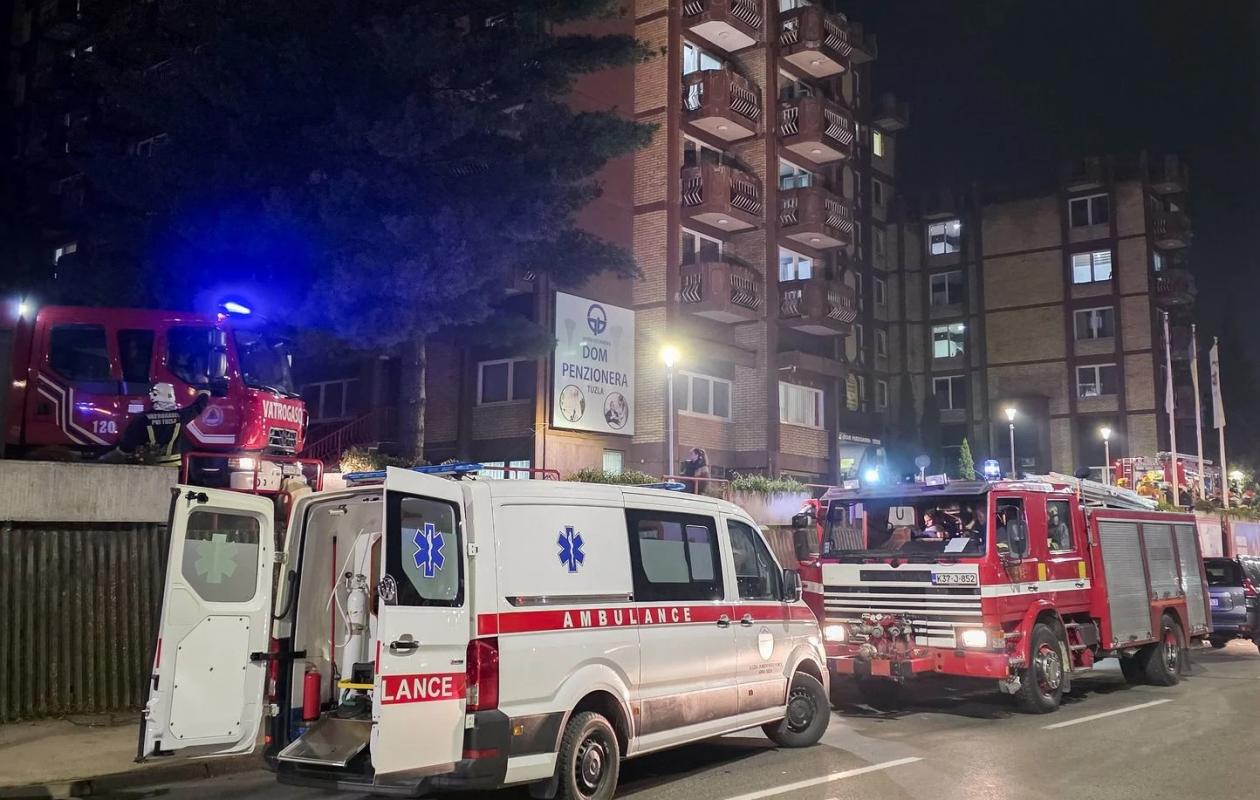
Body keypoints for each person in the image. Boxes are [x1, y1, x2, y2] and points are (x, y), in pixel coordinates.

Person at [107, 382, 210, 466]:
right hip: (173, 465)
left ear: (154, 396)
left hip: (150, 464)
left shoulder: (143, 418)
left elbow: (127, 446)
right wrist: (205, 392)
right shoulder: (181, 416)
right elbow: (197, 407)